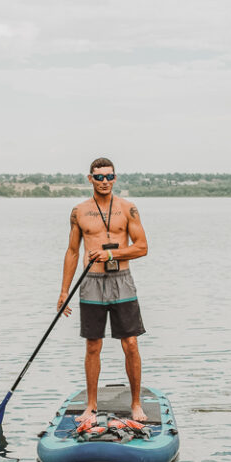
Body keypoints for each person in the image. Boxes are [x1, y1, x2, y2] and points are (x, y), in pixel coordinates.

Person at [60, 158, 150, 422]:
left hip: (122, 280)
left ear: (115, 178)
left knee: (130, 343)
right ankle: (91, 406)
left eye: (109, 176)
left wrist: (111, 254)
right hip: (91, 282)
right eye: (99, 177)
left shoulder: (128, 208)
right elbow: (72, 251)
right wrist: (64, 292)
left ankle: (136, 403)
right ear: (90, 179)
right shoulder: (78, 211)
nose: (104, 182)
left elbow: (142, 247)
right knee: (92, 345)